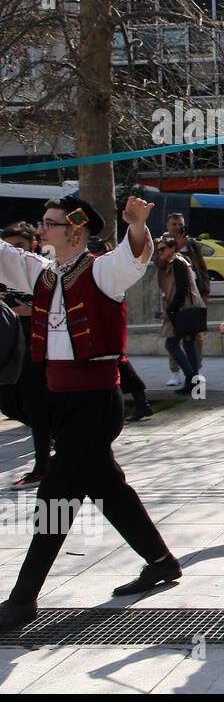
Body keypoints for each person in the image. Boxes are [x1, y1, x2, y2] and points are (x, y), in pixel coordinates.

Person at [0, 195, 182, 632]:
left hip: (95, 403)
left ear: (75, 231)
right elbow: (5, 254)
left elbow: (133, 256)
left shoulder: (100, 270)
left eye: (50, 223)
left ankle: (22, 600)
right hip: (60, 400)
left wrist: (137, 224)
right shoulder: (44, 272)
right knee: (107, 487)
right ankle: (161, 561)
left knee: (57, 495)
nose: (41, 230)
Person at [0, 223, 50, 488]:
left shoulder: (42, 269)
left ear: (32, 245)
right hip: (9, 342)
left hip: (36, 342)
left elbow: (56, 307)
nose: (13, 253)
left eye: (18, 246)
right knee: (7, 403)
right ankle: (55, 435)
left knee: (36, 403)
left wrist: (26, 311)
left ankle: (42, 466)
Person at [153, 235, 204, 395]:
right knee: (188, 346)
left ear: (173, 248)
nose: (160, 252)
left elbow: (181, 289)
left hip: (184, 311)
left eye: (163, 249)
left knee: (171, 345)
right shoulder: (180, 261)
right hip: (188, 309)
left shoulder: (177, 263)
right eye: (159, 249)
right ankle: (194, 385)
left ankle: (191, 377)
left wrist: (170, 311)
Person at [163, 213, 208, 385]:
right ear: (168, 225)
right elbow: (160, 265)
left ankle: (195, 372)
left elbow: (201, 268)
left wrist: (205, 293)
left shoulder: (192, 245)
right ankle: (177, 372)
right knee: (173, 337)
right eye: (174, 224)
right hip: (173, 296)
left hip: (193, 298)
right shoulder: (163, 244)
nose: (177, 227)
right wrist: (176, 248)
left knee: (194, 338)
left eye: (180, 224)